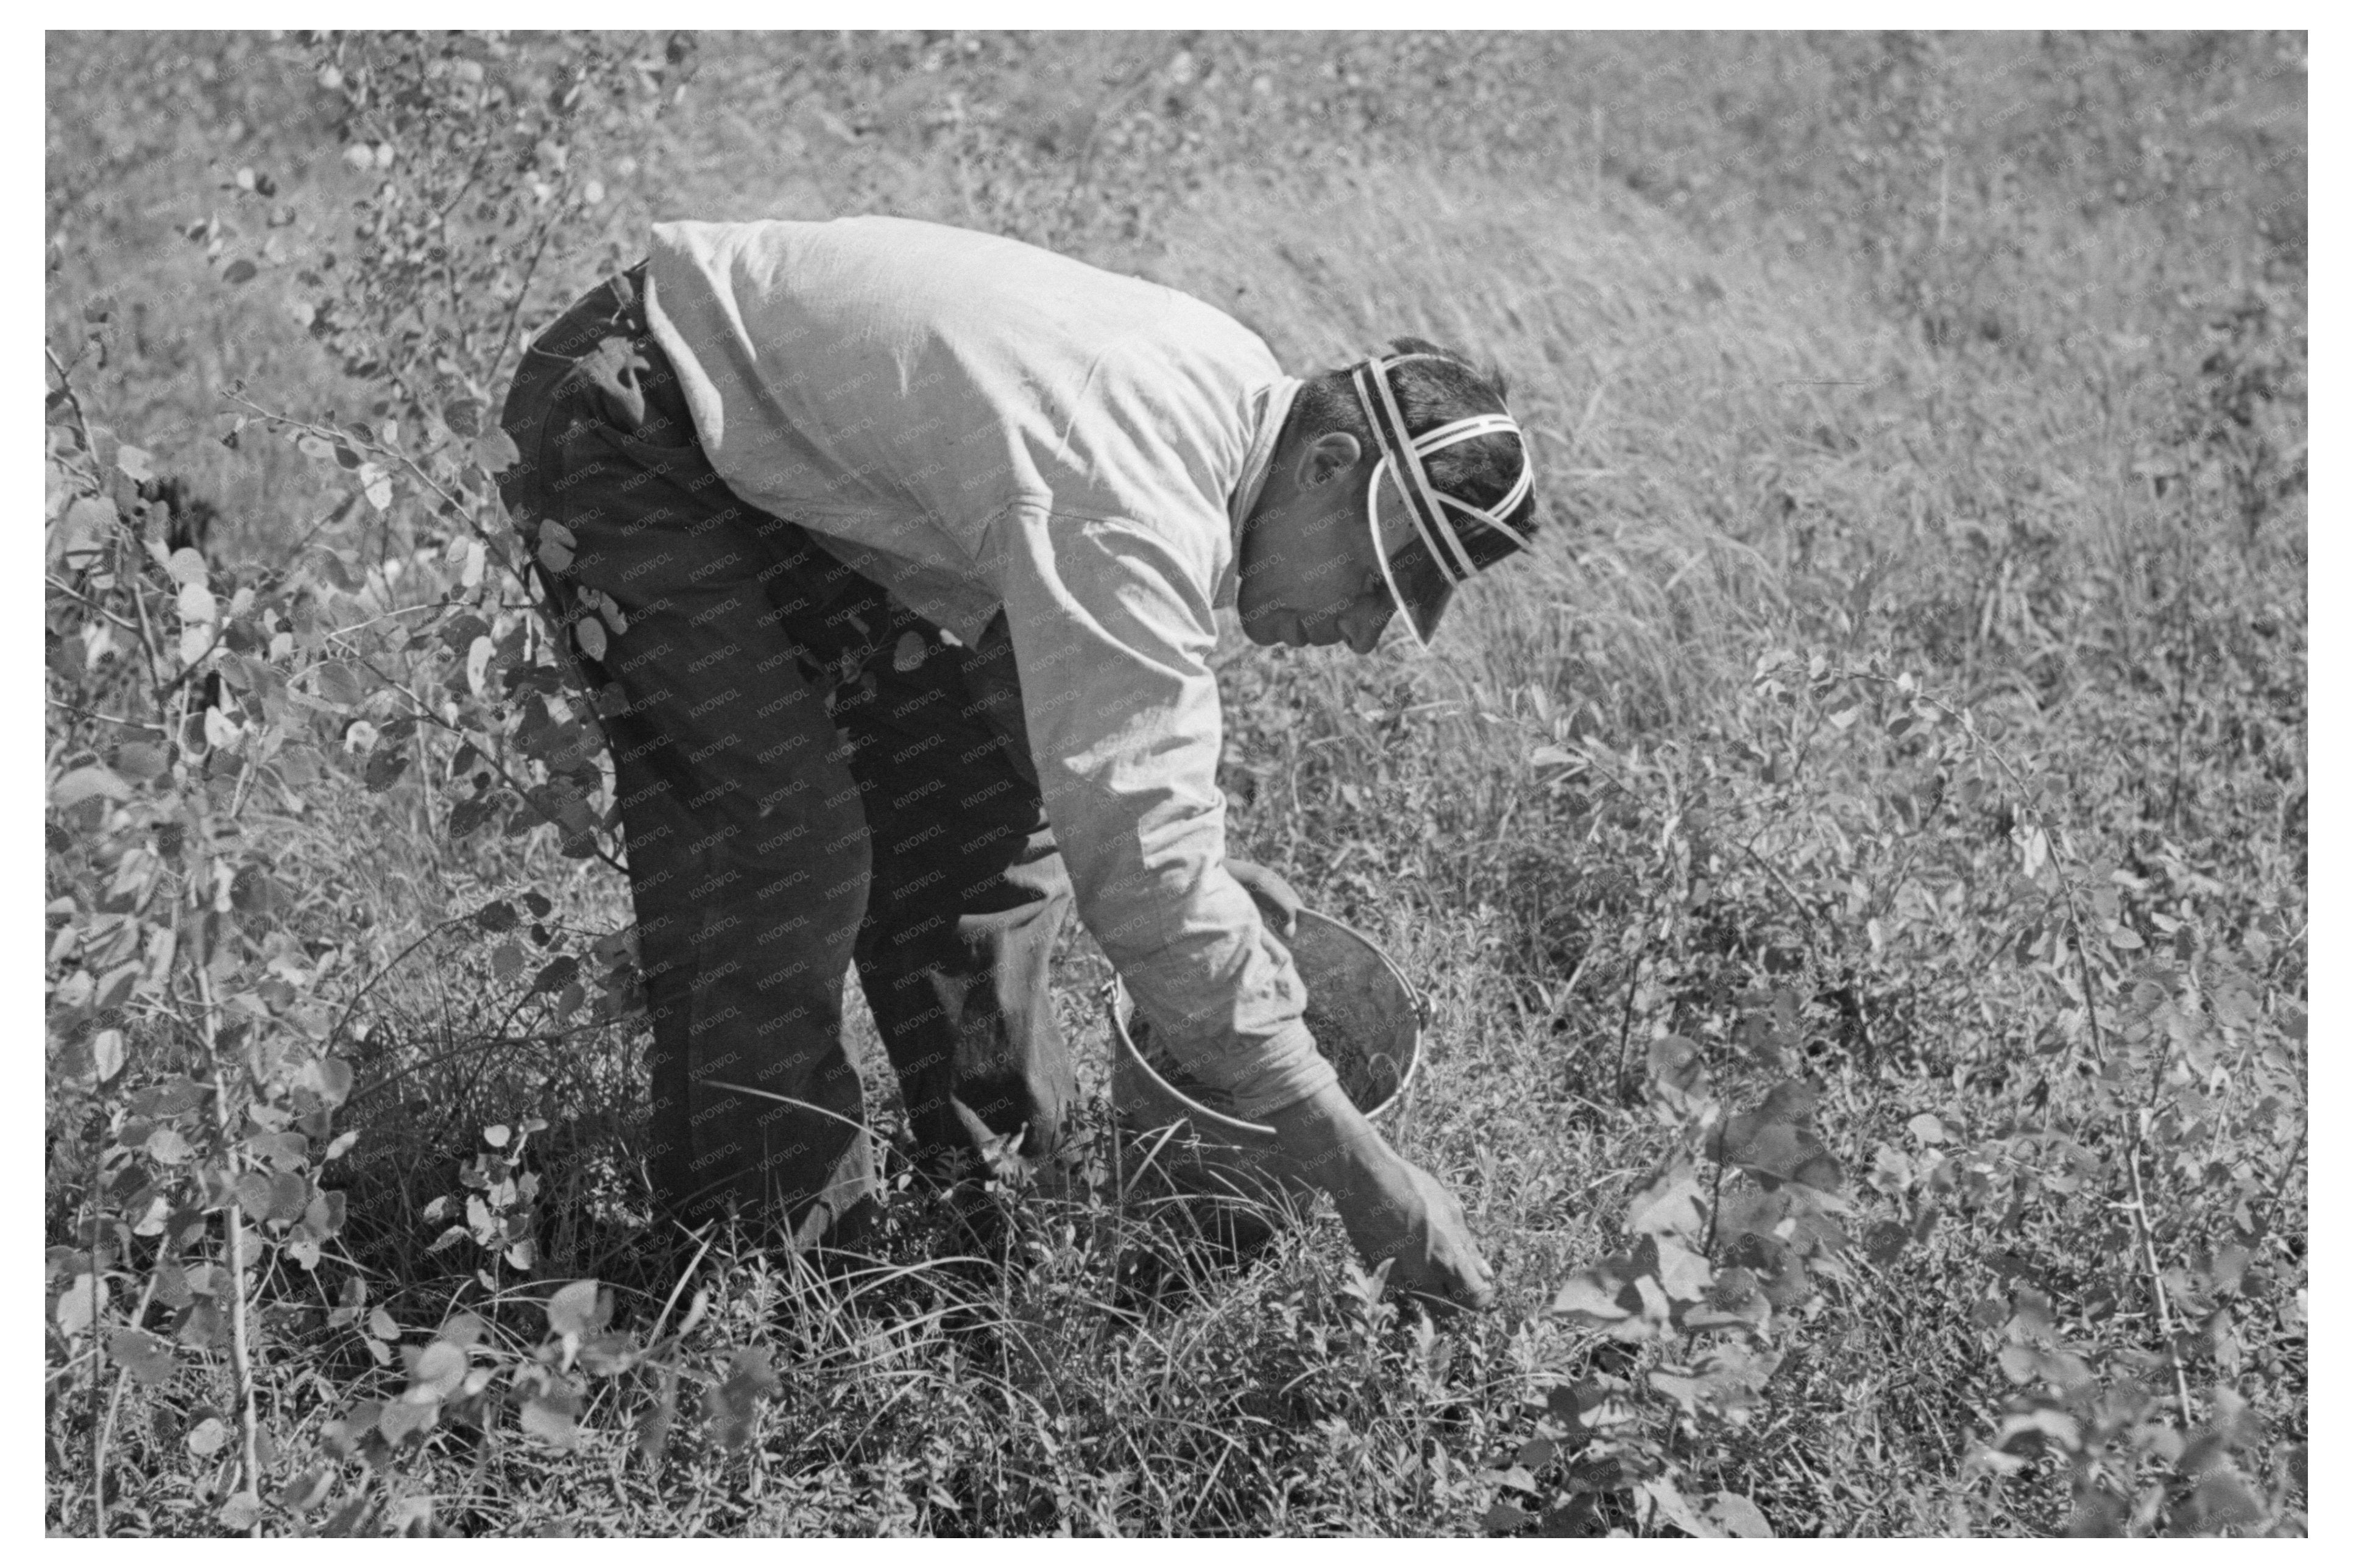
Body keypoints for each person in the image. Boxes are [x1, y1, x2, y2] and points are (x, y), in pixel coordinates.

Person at [494, 216, 1537, 1313]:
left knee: (985, 814)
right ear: (1329, 465)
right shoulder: (1131, 498)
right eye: (1380, 579)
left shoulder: (1230, 394)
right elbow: (1147, 867)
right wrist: (1361, 1170)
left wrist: (1203, 880)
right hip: (636, 412)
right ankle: (771, 1289)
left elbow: (1051, 705)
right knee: (781, 844)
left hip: (770, 456)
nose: (1367, 630)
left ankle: (995, 1225)